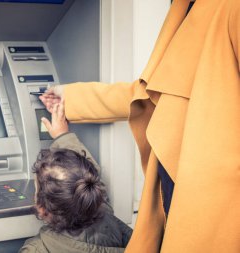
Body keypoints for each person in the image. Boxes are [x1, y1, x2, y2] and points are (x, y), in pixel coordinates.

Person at [39, 0, 240, 252]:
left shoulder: (229, 7)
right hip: (178, 195)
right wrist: (72, 98)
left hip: (214, 207)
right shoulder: (185, 6)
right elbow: (153, 92)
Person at [0, 102, 133, 253]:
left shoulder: (38, 249)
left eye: (37, 188)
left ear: (42, 210)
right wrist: (63, 136)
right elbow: (88, 172)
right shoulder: (105, 212)